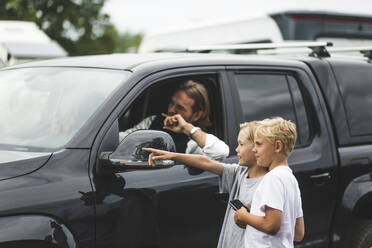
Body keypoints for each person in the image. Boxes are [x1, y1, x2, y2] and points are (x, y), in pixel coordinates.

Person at [143, 121, 268, 248]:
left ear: (257, 148)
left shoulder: (268, 185)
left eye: (241, 144)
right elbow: (205, 162)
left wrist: (247, 218)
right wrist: (172, 156)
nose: (236, 149)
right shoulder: (239, 173)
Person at [233, 117, 305, 248]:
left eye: (259, 144)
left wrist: (244, 216)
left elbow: (271, 225)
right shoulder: (290, 179)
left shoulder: (273, 178)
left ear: (277, 146)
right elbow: (299, 233)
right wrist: (255, 213)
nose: (254, 149)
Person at [120, 79, 229, 161]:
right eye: (172, 103)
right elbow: (123, 138)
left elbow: (221, 153)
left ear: (196, 115)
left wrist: (185, 128)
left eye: (180, 108)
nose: (171, 110)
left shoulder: (195, 143)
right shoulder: (153, 120)